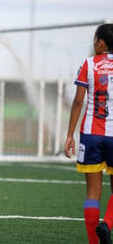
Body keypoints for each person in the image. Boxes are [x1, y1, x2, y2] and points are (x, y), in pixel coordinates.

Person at [65, 23, 113, 244]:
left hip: (91, 134)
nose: (93, 44)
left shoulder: (89, 64)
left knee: (93, 193)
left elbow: (77, 101)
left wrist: (69, 135)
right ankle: (108, 224)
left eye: (94, 40)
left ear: (101, 43)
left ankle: (94, 242)